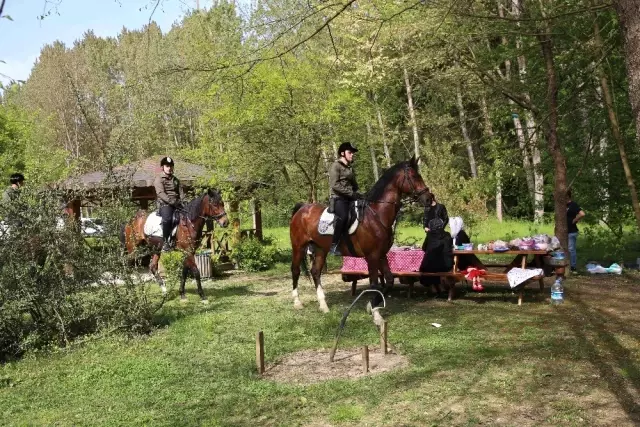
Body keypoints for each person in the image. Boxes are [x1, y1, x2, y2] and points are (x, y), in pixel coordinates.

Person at [328, 142, 361, 255]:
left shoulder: (350, 168)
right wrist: (351, 193)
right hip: (339, 198)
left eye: (353, 153)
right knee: (343, 216)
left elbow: (354, 185)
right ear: (342, 153)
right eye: (350, 152)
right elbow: (334, 185)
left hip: (350, 197)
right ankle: (334, 244)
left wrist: (360, 194)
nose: (352, 155)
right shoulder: (336, 166)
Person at [154, 157, 184, 252]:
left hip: (177, 203)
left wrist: (185, 201)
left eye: (171, 166)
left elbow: (181, 193)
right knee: (167, 219)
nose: (169, 168)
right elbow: (160, 193)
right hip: (165, 204)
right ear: (163, 167)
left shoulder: (176, 180)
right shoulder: (159, 179)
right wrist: (171, 201)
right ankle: (166, 242)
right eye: (167, 166)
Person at [419, 217, 454, 295]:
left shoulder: (430, 235)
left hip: (430, 265)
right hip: (446, 265)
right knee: (435, 265)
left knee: (428, 266)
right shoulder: (447, 235)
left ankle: (433, 288)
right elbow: (450, 246)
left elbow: (424, 248)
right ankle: (439, 287)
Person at [566, 189, 585, 273]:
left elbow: (582, 214)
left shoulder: (573, 205)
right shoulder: (561, 205)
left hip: (571, 231)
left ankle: (573, 267)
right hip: (563, 231)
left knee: (571, 249)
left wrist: (575, 220)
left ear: (567, 196)